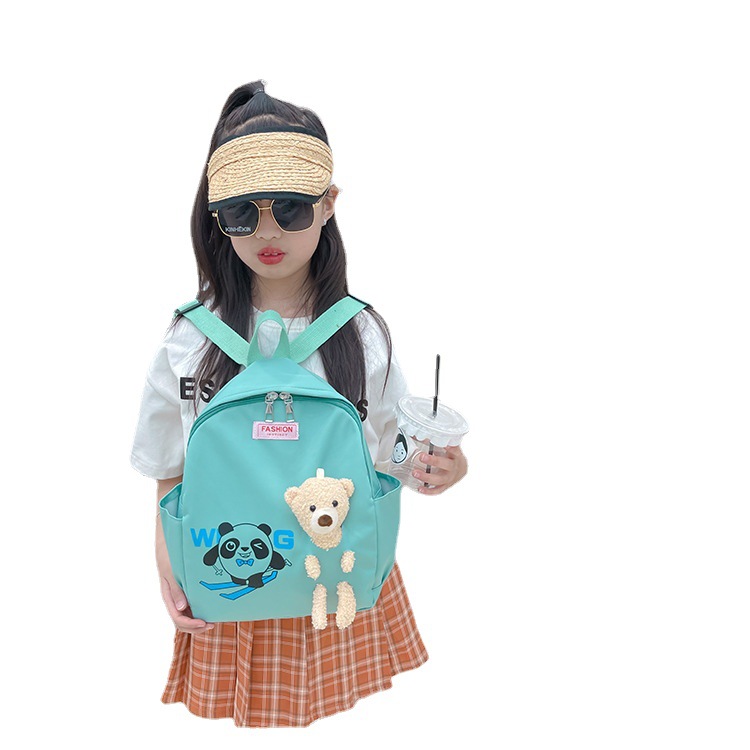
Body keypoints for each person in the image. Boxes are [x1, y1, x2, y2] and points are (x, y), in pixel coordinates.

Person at [130, 79, 469, 728]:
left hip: (335, 573)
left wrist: (446, 468)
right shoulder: (190, 338)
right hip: (232, 571)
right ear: (217, 217)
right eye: (242, 213)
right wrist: (166, 559)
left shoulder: (360, 333)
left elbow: (397, 453)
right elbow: (168, 465)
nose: (267, 231)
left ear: (328, 203)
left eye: (289, 208)